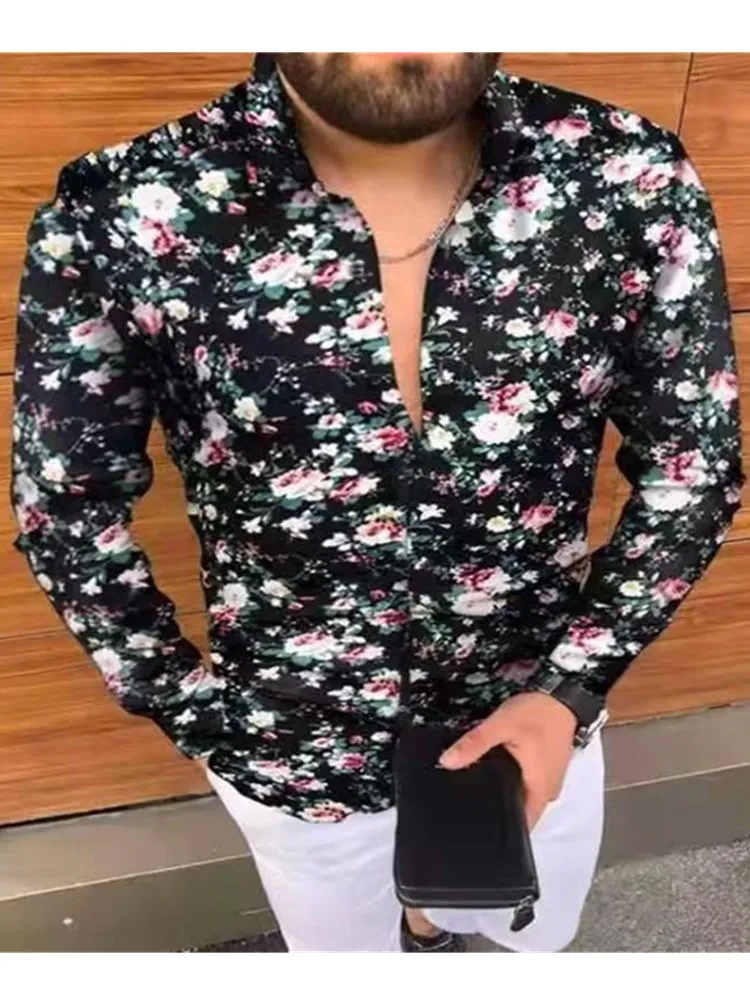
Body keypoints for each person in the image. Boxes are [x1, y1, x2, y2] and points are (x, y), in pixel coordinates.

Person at [10, 52, 745, 953]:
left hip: (535, 715)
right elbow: (66, 505)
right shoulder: (122, 206)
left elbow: (691, 467)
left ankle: (432, 925)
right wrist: (196, 712)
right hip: (291, 742)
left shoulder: (625, 174)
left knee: (532, 941)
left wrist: (572, 687)